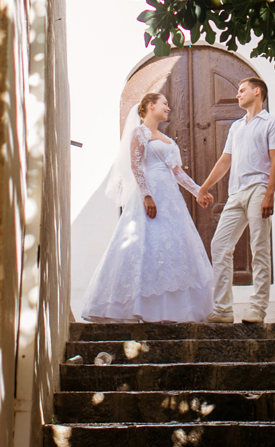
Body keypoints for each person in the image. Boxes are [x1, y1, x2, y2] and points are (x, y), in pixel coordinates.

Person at [81, 92, 214, 323]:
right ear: (151, 106)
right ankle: (136, 305)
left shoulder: (167, 140)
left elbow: (177, 172)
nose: (168, 108)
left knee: (171, 245)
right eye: (165, 104)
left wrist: (198, 191)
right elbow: (136, 166)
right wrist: (147, 196)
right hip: (150, 194)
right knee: (144, 243)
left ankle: (172, 309)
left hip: (170, 198)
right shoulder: (139, 132)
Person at [197, 78, 275, 324]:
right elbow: (225, 160)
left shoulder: (273, 123)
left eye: (241, 90)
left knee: (259, 247)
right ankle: (223, 309)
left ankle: (258, 308)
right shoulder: (236, 127)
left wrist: (269, 194)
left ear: (257, 91)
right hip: (235, 194)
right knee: (219, 245)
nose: (237, 95)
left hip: (259, 189)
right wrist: (204, 187)